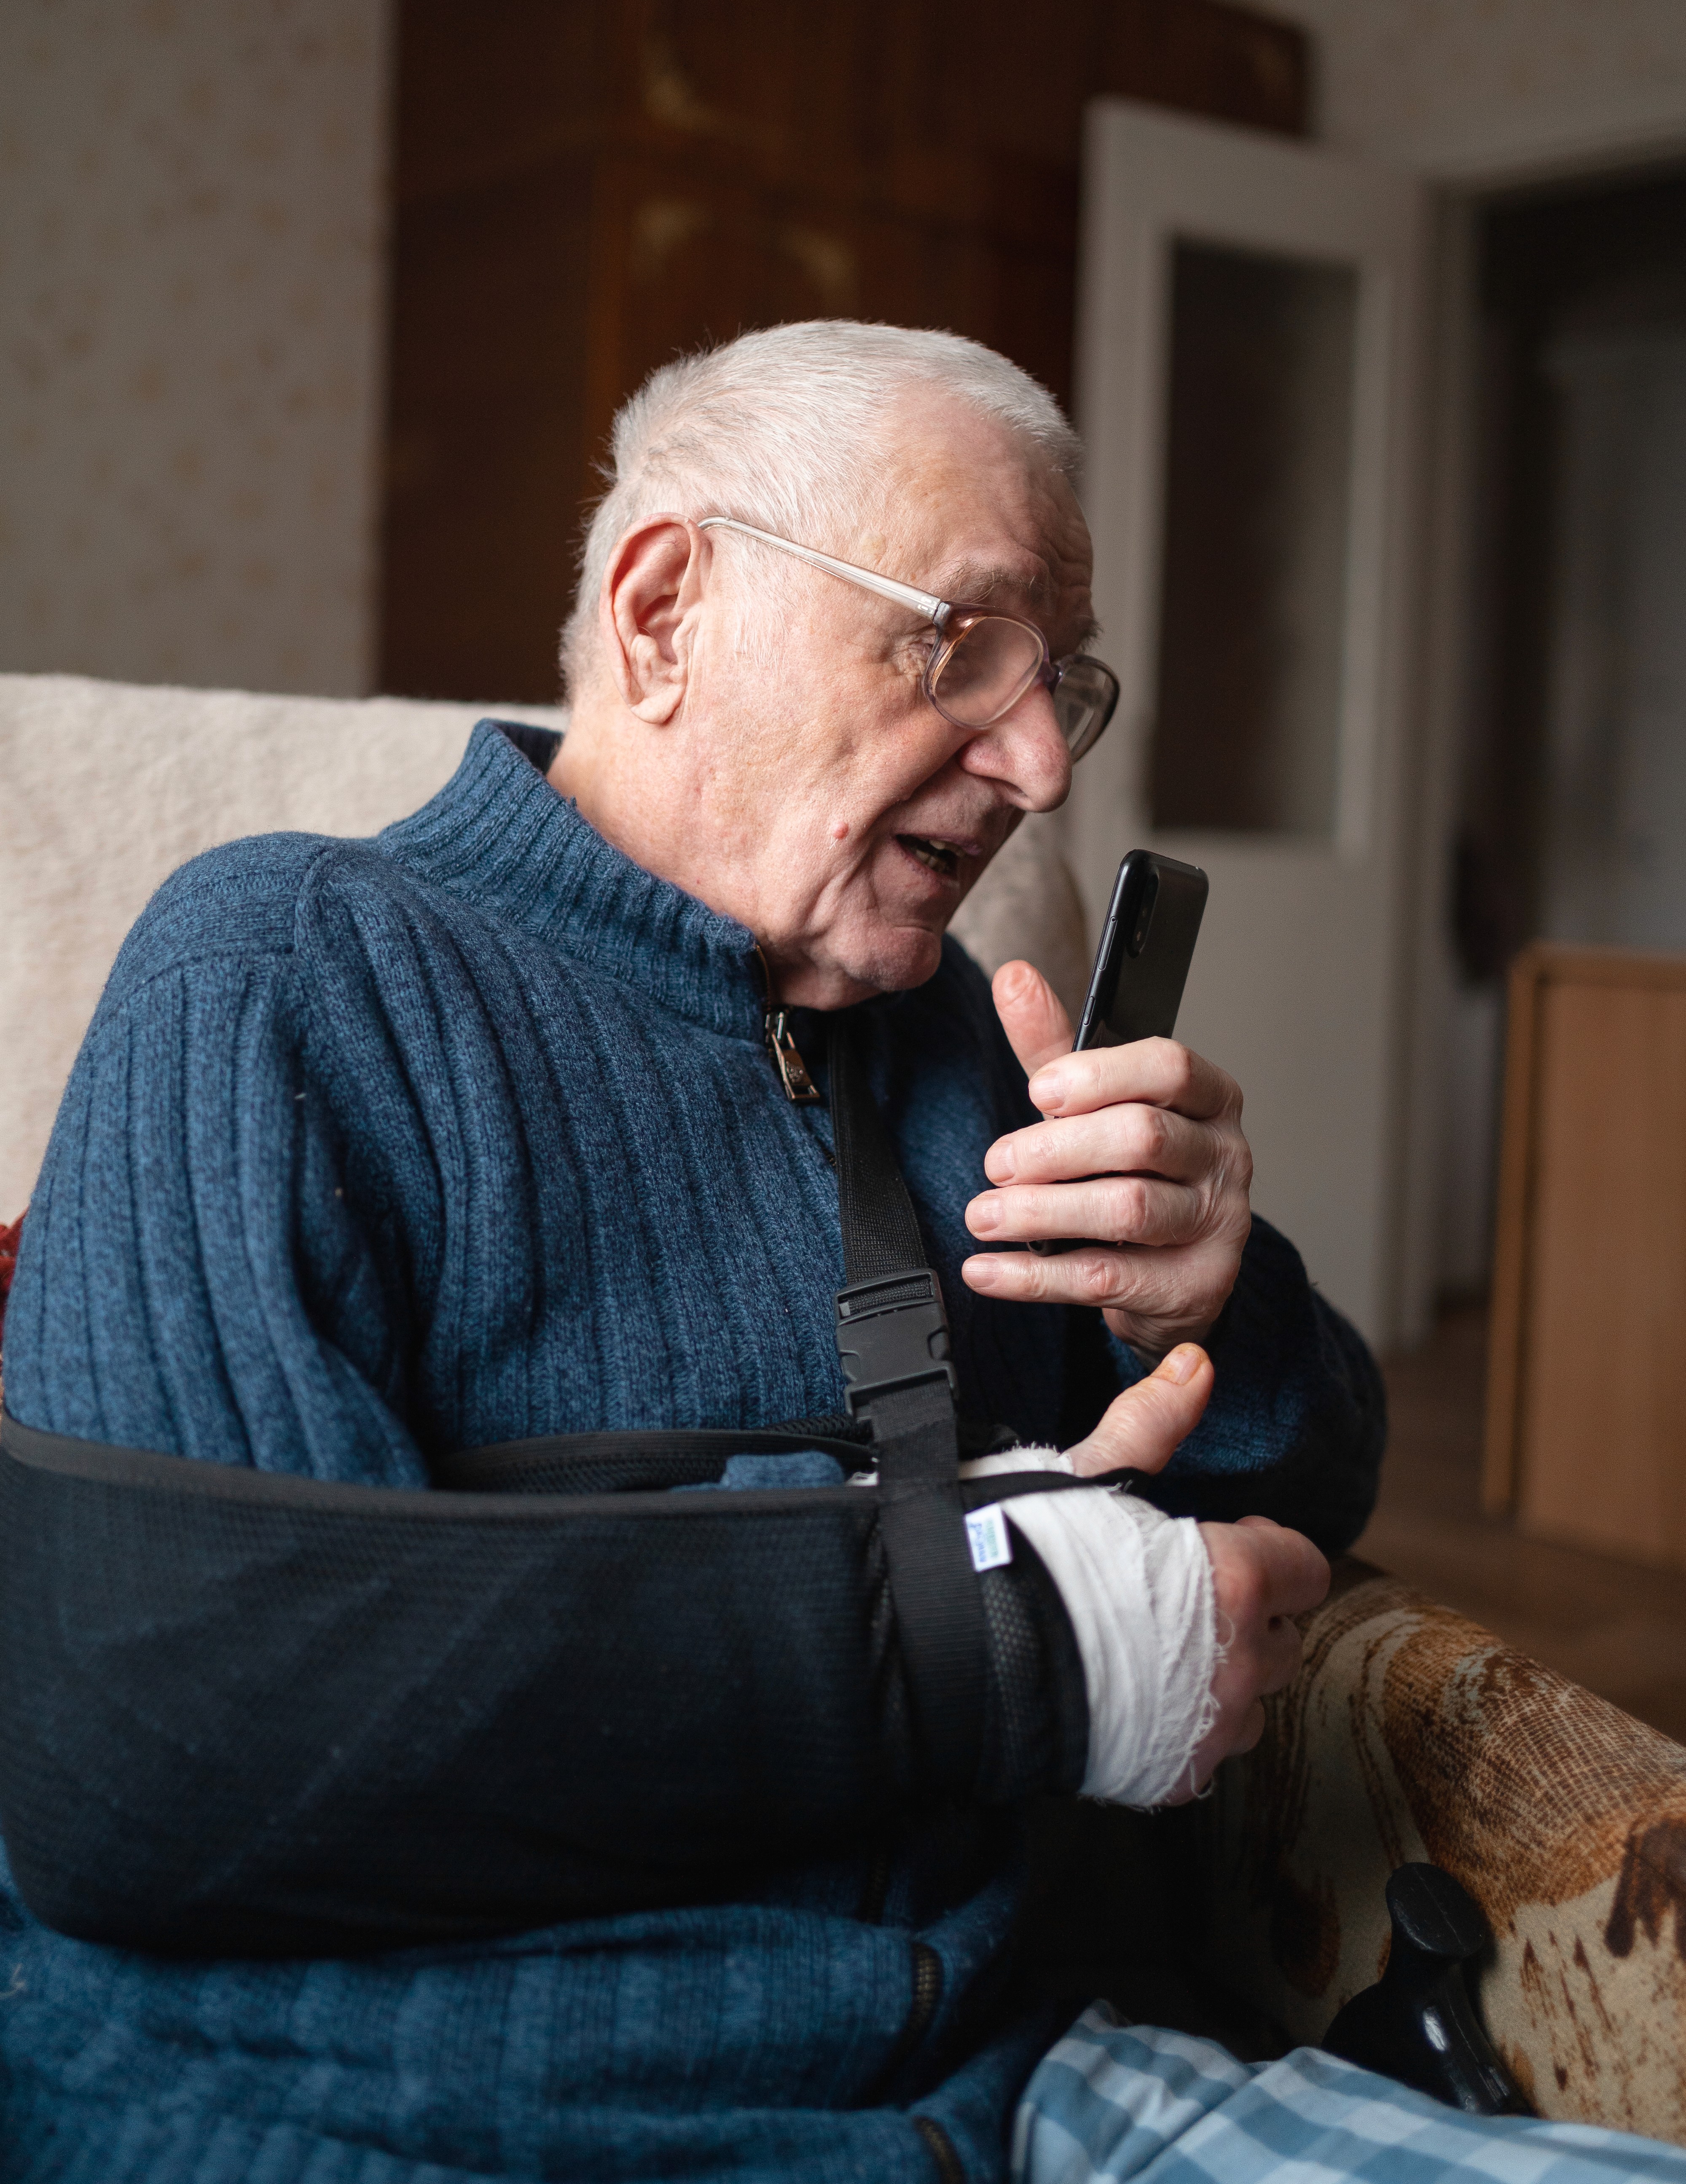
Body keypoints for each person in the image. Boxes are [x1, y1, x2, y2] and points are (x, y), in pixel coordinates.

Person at [0, 322, 1674, 2184]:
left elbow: (1299, 1515)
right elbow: (147, 1743)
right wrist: (1003, 1634)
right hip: (414, 2119)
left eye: (1063, 683)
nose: (1038, 767)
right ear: (664, 615)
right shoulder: (285, 972)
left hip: (1010, 2093)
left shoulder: (960, 1040)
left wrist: (1211, 1304)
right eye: (961, 646)